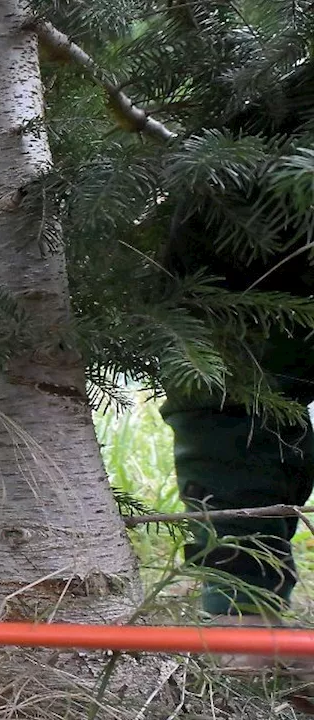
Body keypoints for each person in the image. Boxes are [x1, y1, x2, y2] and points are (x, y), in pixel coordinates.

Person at [160, 63, 314, 631]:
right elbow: (226, 417)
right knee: (234, 408)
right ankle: (246, 614)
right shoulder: (253, 159)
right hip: (249, 260)